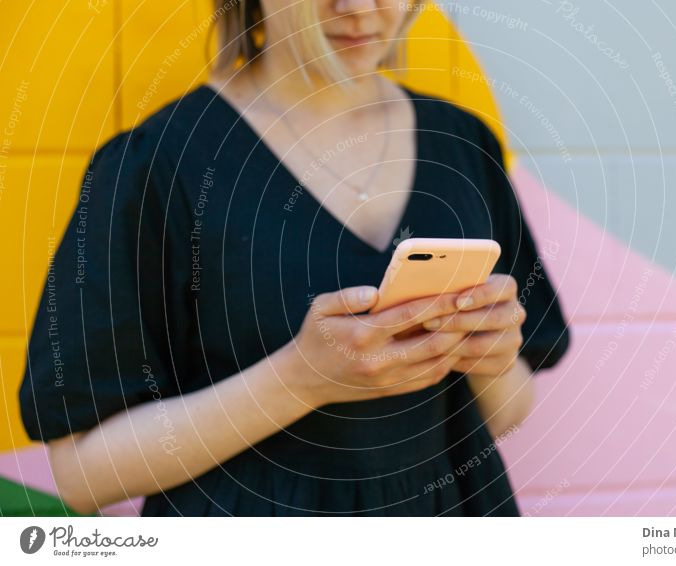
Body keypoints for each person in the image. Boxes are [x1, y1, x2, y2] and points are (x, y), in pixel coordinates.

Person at [18, 0, 569, 516]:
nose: (358, 8)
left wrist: (488, 360)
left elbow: (502, 415)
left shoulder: (463, 143)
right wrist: (302, 380)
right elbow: (82, 474)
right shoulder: (155, 166)